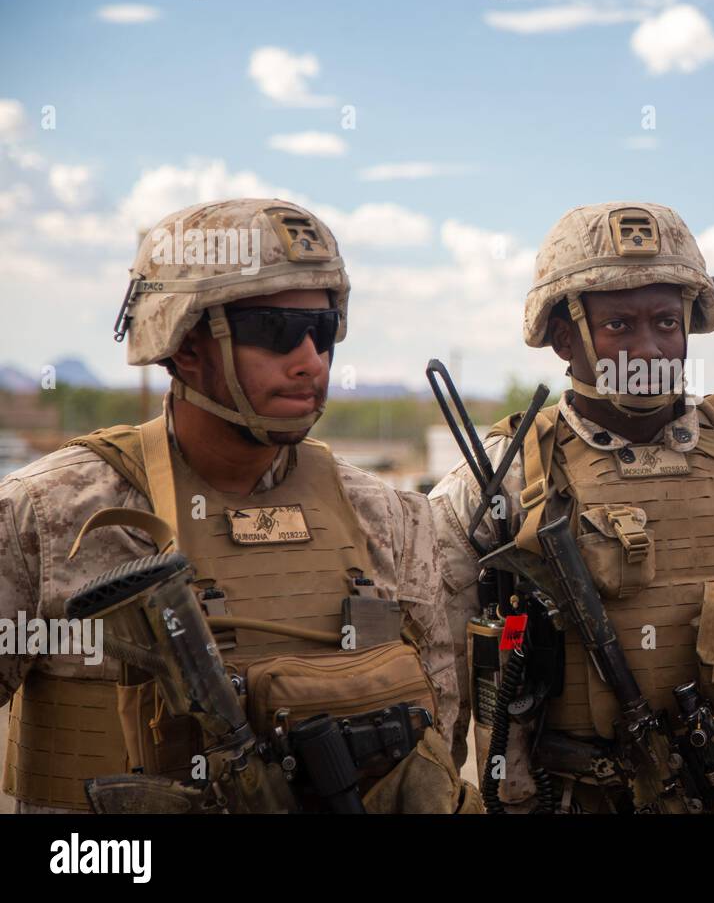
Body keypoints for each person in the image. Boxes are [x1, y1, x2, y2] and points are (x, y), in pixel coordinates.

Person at [0, 198, 478, 813]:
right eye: (275, 331)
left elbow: (436, 741)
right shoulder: (46, 516)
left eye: (323, 330)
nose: (311, 360)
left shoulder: (390, 519)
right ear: (185, 344)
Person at [430, 201, 714, 811]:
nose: (650, 349)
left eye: (666, 322)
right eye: (620, 326)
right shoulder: (497, 480)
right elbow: (437, 684)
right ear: (563, 335)